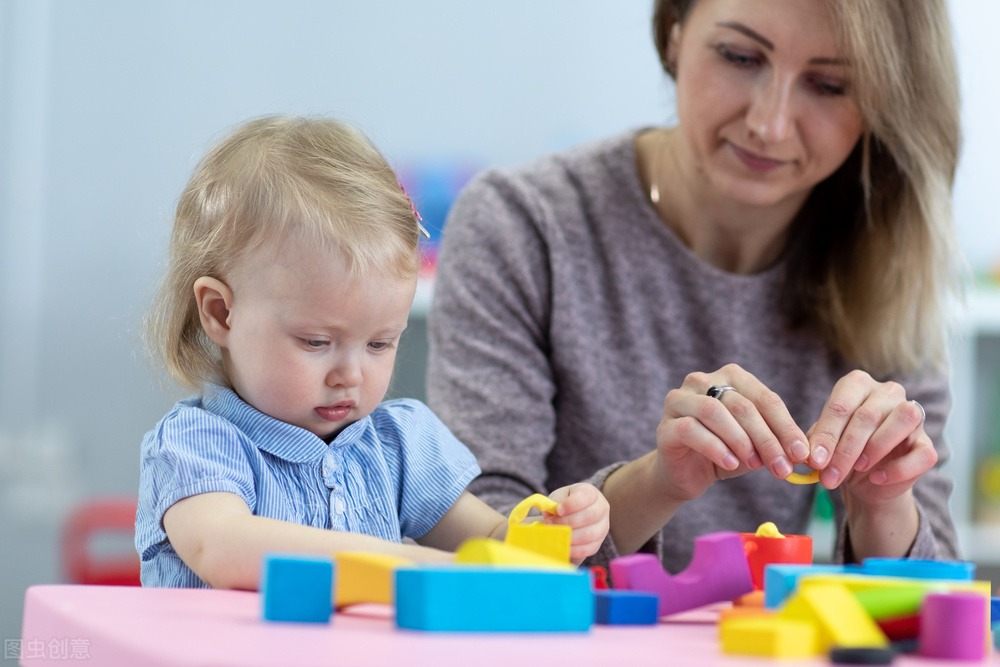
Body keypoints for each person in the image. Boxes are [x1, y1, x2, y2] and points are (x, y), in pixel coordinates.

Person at [427, 0, 963, 572]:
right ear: (675, 32)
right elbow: (481, 548)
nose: (769, 123)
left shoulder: (886, 253)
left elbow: (939, 603)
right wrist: (658, 481)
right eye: (738, 56)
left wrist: (881, 504)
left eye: (829, 85)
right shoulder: (522, 225)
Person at [136, 116, 609, 589]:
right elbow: (225, 548)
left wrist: (547, 529)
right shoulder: (197, 443)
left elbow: (489, 537)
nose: (351, 374)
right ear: (221, 313)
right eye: (317, 342)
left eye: (380, 344)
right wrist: (406, 560)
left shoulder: (396, 444)